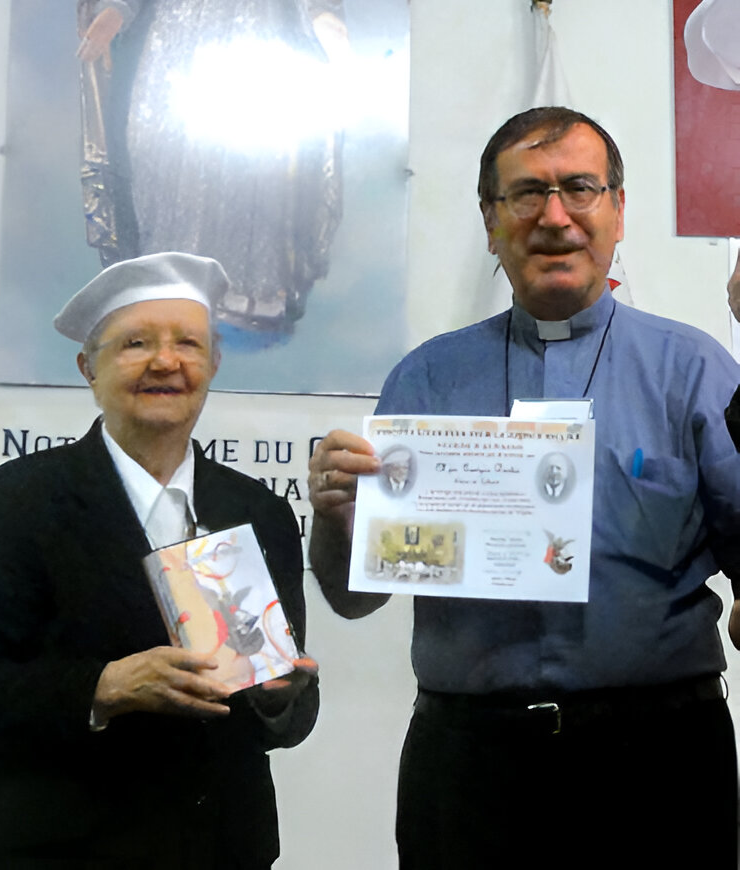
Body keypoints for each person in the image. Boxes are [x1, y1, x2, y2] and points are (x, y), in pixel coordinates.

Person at [308, 107, 740, 869]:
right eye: (527, 193)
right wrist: (338, 517)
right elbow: (355, 598)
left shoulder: (694, 370)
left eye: (580, 188)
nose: (554, 216)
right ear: (490, 220)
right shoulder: (428, 378)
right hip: (470, 767)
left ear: (618, 211)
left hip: (659, 759)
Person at [0, 252, 318, 869]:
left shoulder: (261, 512)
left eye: (188, 344)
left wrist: (279, 698)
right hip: (54, 851)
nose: (166, 362)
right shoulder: (18, 500)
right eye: (136, 343)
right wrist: (103, 687)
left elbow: (287, 717)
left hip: (219, 849)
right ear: (89, 368)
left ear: (214, 364)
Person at [76, 0, 346, 335]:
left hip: (257, 32)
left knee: (252, 156)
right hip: (176, 39)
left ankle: (244, 284)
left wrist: (321, 14)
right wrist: (117, 9)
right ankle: (169, 281)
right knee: (166, 151)